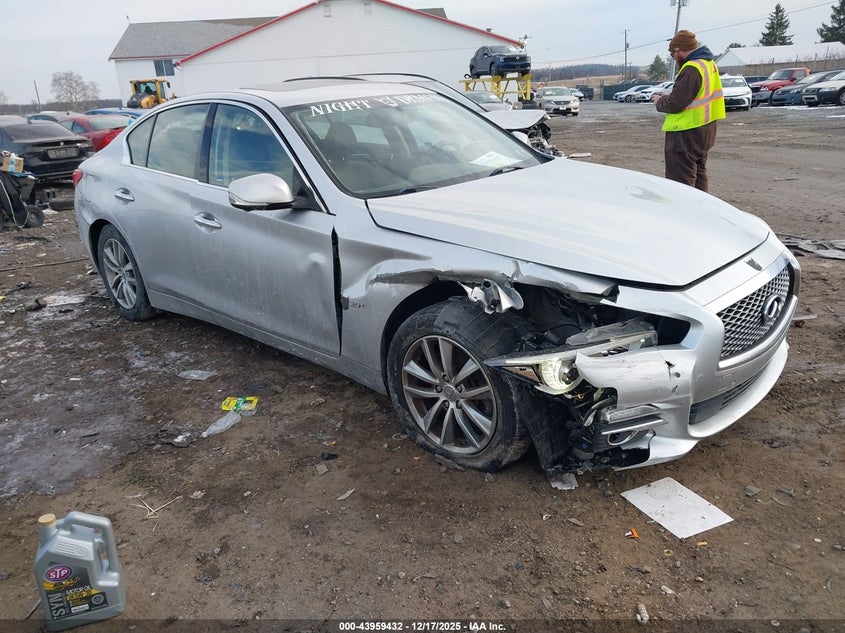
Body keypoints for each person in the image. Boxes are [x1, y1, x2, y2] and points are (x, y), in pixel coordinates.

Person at [652, 29, 725, 192]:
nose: (673, 58)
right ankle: (702, 211)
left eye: (672, 54)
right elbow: (694, 95)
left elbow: (676, 103)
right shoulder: (708, 64)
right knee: (699, 175)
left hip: (686, 133)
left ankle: (684, 215)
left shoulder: (691, 68)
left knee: (681, 182)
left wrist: (660, 101)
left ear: (678, 50)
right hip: (705, 129)